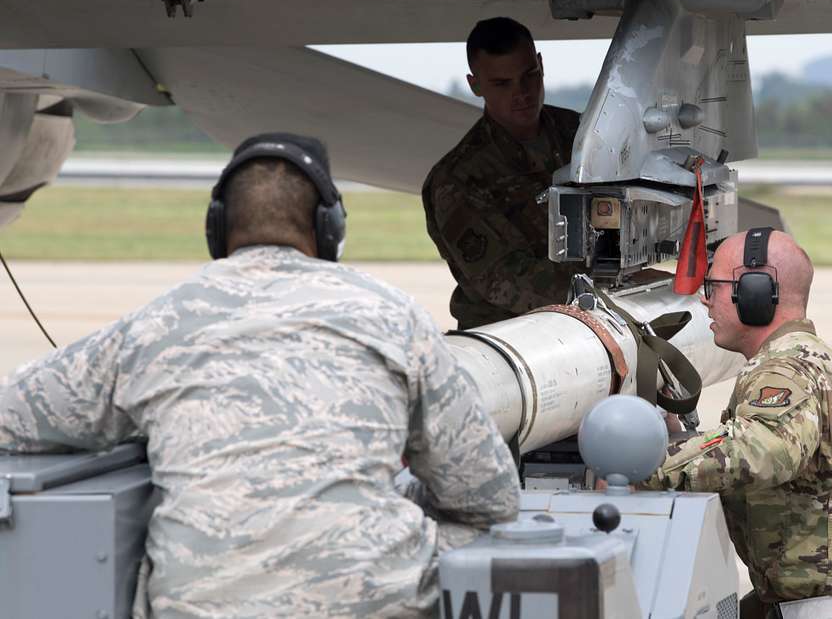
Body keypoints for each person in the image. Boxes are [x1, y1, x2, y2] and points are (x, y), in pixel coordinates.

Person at [0, 133, 520, 618]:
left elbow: (14, 415)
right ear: (329, 229)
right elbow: (488, 496)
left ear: (217, 229)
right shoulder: (393, 316)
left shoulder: (157, 324)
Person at [642, 228, 832, 619]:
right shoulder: (810, 360)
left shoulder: (786, 369)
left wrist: (646, 464)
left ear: (756, 294)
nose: (704, 299)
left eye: (713, 286)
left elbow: (761, 450)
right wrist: (685, 439)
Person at [422, 16, 581, 329]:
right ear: (475, 85)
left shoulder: (580, 135)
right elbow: (506, 282)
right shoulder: (458, 179)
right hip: (509, 335)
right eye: (501, 84)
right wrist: (605, 289)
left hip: (585, 321)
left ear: (541, 65)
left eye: (529, 76)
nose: (521, 93)